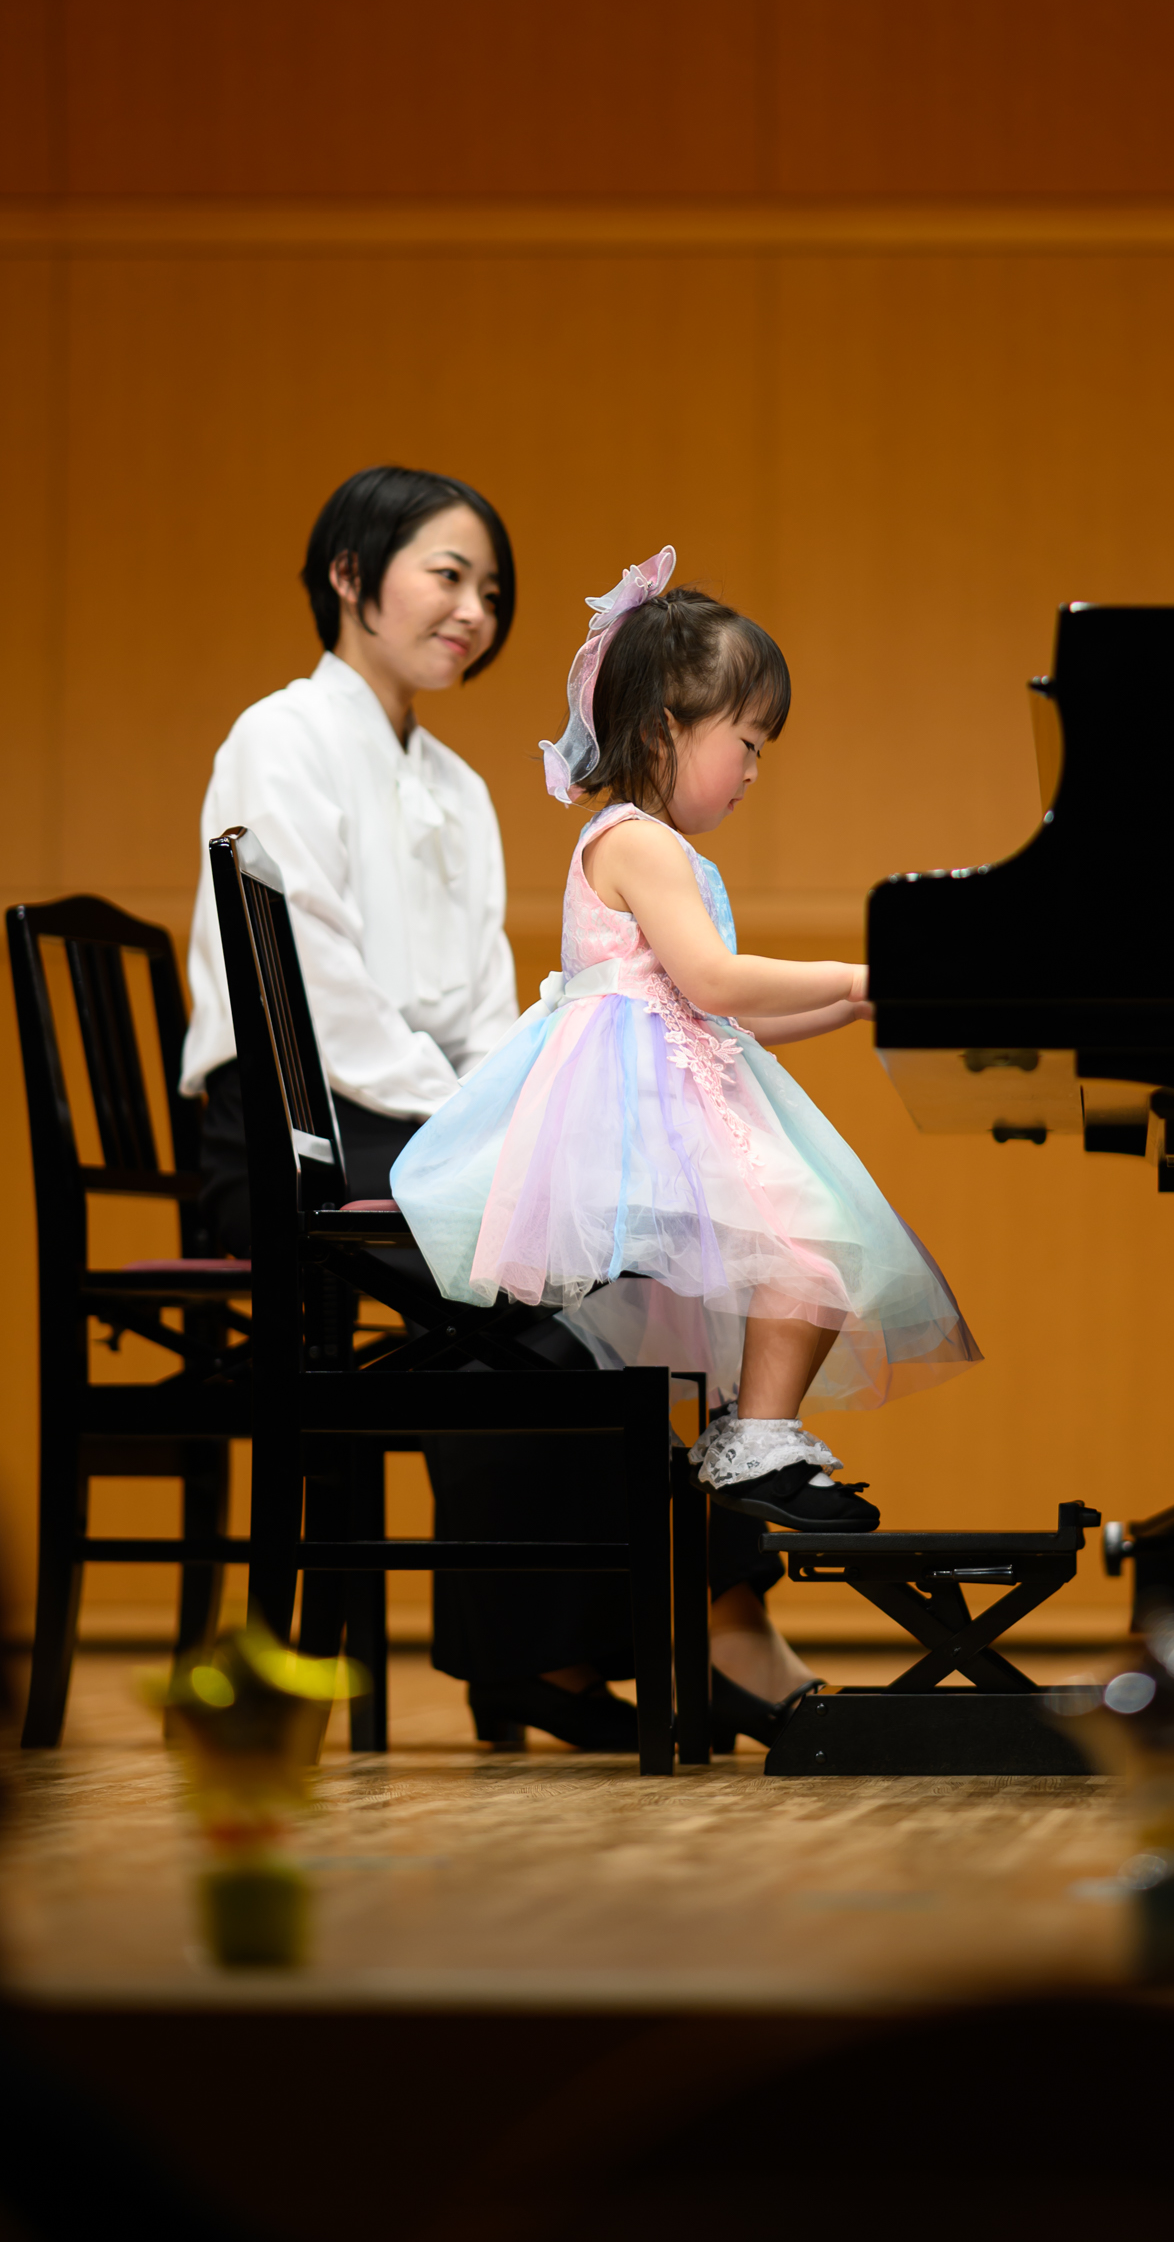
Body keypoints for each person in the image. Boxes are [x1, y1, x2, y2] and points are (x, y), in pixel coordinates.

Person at [181, 470, 803, 1753]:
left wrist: (514, 1122)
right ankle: (622, 1637)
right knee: (557, 1278)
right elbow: (317, 998)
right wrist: (489, 1136)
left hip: (422, 1121)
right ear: (349, 575)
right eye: (447, 575)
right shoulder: (278, 735)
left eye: (492, 590)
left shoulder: (459, 784)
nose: (473, 609)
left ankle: (602, 1637)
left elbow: (474, 1007)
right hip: (301, 1132)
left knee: (633, 1261)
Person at [391, 545, 983, 1581]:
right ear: (666, 726)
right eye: (745, 742)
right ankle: (755, 1438)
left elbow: (720, 1013)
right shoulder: (636, 841)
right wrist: (855, 968)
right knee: (811, 1246)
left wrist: (849, 1003)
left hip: (671, 1083)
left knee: (809, 1250)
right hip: (636, 1111)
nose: (753, 771)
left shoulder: (654, 844)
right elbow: (713, 980)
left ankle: (750, 1433)